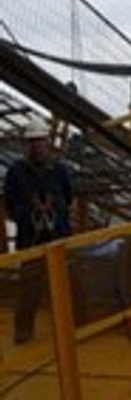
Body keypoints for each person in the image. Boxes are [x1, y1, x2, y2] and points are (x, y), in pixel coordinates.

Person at [3, 118, 74, 344]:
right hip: (31, 238)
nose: (37, 145)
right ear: (28, 144)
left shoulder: (59, 170)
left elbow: (68, 198)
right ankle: (24, 333)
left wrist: (54, 209)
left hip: (58, 235)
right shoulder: (17, 171)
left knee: (63, 285)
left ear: (47, 142)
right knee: (29, 288)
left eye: (40, 141)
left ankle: (67, 330)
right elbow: (11, 204)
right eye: (33, 141)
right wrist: (30, 213)